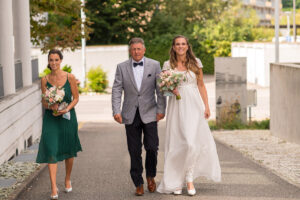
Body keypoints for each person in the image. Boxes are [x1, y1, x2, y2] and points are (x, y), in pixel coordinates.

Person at [157, 35, 221, 196]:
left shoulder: (196, 62)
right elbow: (163, 88)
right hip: (177, 106)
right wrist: (171, 89)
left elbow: (201, 85)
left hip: (194, 106)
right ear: (173, 47)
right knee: (178, 144)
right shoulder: (167, 64)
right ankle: (176, 181)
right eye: (177, 44)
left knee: (192, 143)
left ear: (187, 46)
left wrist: (206, 106)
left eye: (183, 44)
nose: (180, 46)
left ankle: (189, 177)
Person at [112, 38, 166, 196]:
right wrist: (116, 110)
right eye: (133, 49)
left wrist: (161, 109)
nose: (136, 51)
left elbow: (160, 89)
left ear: (144, 50)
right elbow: (116, 90)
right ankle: (138, 183)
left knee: (152, 147)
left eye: (139, 49)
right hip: (130, 114)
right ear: (130, 50)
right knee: (134, 150)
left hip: (150, 112)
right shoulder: (121, 67)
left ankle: (150, 176)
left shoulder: (155, 65)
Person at [36, 49, 82, 200]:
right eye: (51, 60)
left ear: (60, 60)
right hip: (51, 119)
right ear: (48, 62)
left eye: (56, 60)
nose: (54, 63)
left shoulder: (70, 77)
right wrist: (51, 106)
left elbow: (76, 98)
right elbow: (44, 101)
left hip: (68, 118)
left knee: (68, 149)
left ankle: (67, 178)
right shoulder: (44, 80)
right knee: (51, 149)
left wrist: (66, 108)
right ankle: (53, 187)